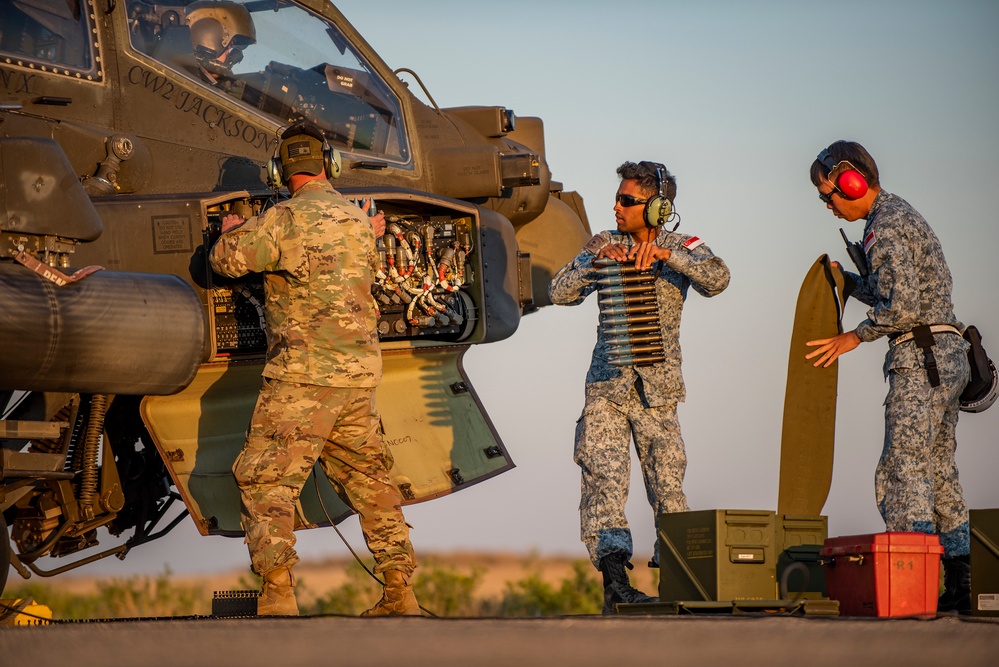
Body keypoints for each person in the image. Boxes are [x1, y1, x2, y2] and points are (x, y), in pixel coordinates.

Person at [209, 122, 419, 617]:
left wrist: (230, 231)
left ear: (280, 170)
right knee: (371, 481)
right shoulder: (359, 222)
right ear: (332, 165)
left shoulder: (281, 220)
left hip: (302, 379)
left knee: (266, 480)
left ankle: (279, 593)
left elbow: (224, 262)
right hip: (358, 380)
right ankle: (399, 591)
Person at [548, 161, 730, 613]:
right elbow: (559, 290)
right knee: (603, 482)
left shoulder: (682, 245)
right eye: (619, 197)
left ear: (657, 208)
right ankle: (616, 585)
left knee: (668, 486)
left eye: (628, 201)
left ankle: (681, 582)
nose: (617, 206)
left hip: (658, 393)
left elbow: (719, 278)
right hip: (608, 388)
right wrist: (595, 262)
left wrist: (670, 258)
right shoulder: (604, 243)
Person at [805, 140, 972, 614]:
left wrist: (852, 338)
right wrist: (850, 282)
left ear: (852, 181)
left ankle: (914, 587)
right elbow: (894, 294)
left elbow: (900, 308)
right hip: (942, 354)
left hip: (920, 360)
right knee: (940, 473)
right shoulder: (896, 216)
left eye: (828, 194)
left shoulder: (887, 226)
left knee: (903, 474)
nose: (828, 205)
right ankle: (960, 582)